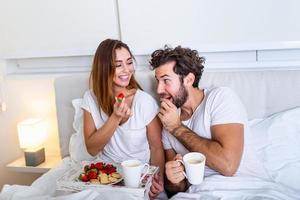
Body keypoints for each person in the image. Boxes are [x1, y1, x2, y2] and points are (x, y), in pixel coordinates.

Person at [149, 46, 268, 196]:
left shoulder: (220, 98)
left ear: (189, 79)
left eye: (166, 80)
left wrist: (177, 128)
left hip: (245, 188)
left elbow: (228, 165)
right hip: (200, 193)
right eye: (157, 81)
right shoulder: (167, 123)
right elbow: (178, 189)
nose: (159, 89)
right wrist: (174, 180)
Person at [81, 39, 164, 198]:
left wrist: (156, 180)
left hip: (138, 176)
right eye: (118, 65)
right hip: (106, 175)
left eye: (129, 62)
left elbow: (156, 148)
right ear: (104, 68)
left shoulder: (144, 101)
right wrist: (115, 117)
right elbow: (91, 149)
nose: (127, 70)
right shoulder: (90, 98)